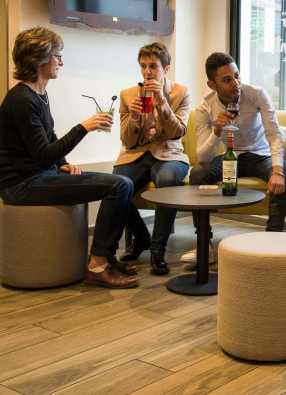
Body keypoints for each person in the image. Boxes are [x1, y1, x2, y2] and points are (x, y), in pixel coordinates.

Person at [0, 27, 138, 289]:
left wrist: (62, 162)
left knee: (124, 183)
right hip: (20, 185)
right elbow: (42, 156)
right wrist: (84, 127)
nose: (61, 63)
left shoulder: (39, 94)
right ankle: (97, 266)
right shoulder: (21, 99)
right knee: (119, 185)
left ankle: (106, 257)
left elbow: (49, 137)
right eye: (57, 56)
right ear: (39, 59)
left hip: (40, 176)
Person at [187, 52, 286, 262]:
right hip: (231, 156)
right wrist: (217, 131)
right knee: (198, 173)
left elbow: (274, 135)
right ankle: (204, 244)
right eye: (227, 80)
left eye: (237, 75)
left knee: (280, 175)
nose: (236, 83)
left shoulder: (256, 94)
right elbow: (203, 157)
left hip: (261, 154)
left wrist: (277, 171)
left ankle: (272, 243)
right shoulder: (205, 108)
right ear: (212, 85)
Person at [112, 43, 191, 275]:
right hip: (136, 154)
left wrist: (161, 100)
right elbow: (127, 140)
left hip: (169, 153)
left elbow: (177, 132)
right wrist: (134, 117)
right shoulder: (128, 95)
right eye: (143, 66)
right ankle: (141, 237)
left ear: (166, 68)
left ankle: (158, 250)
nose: (147, 72)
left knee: (167, 180)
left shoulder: (181, 92)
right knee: (115, 186)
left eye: (153, 66)